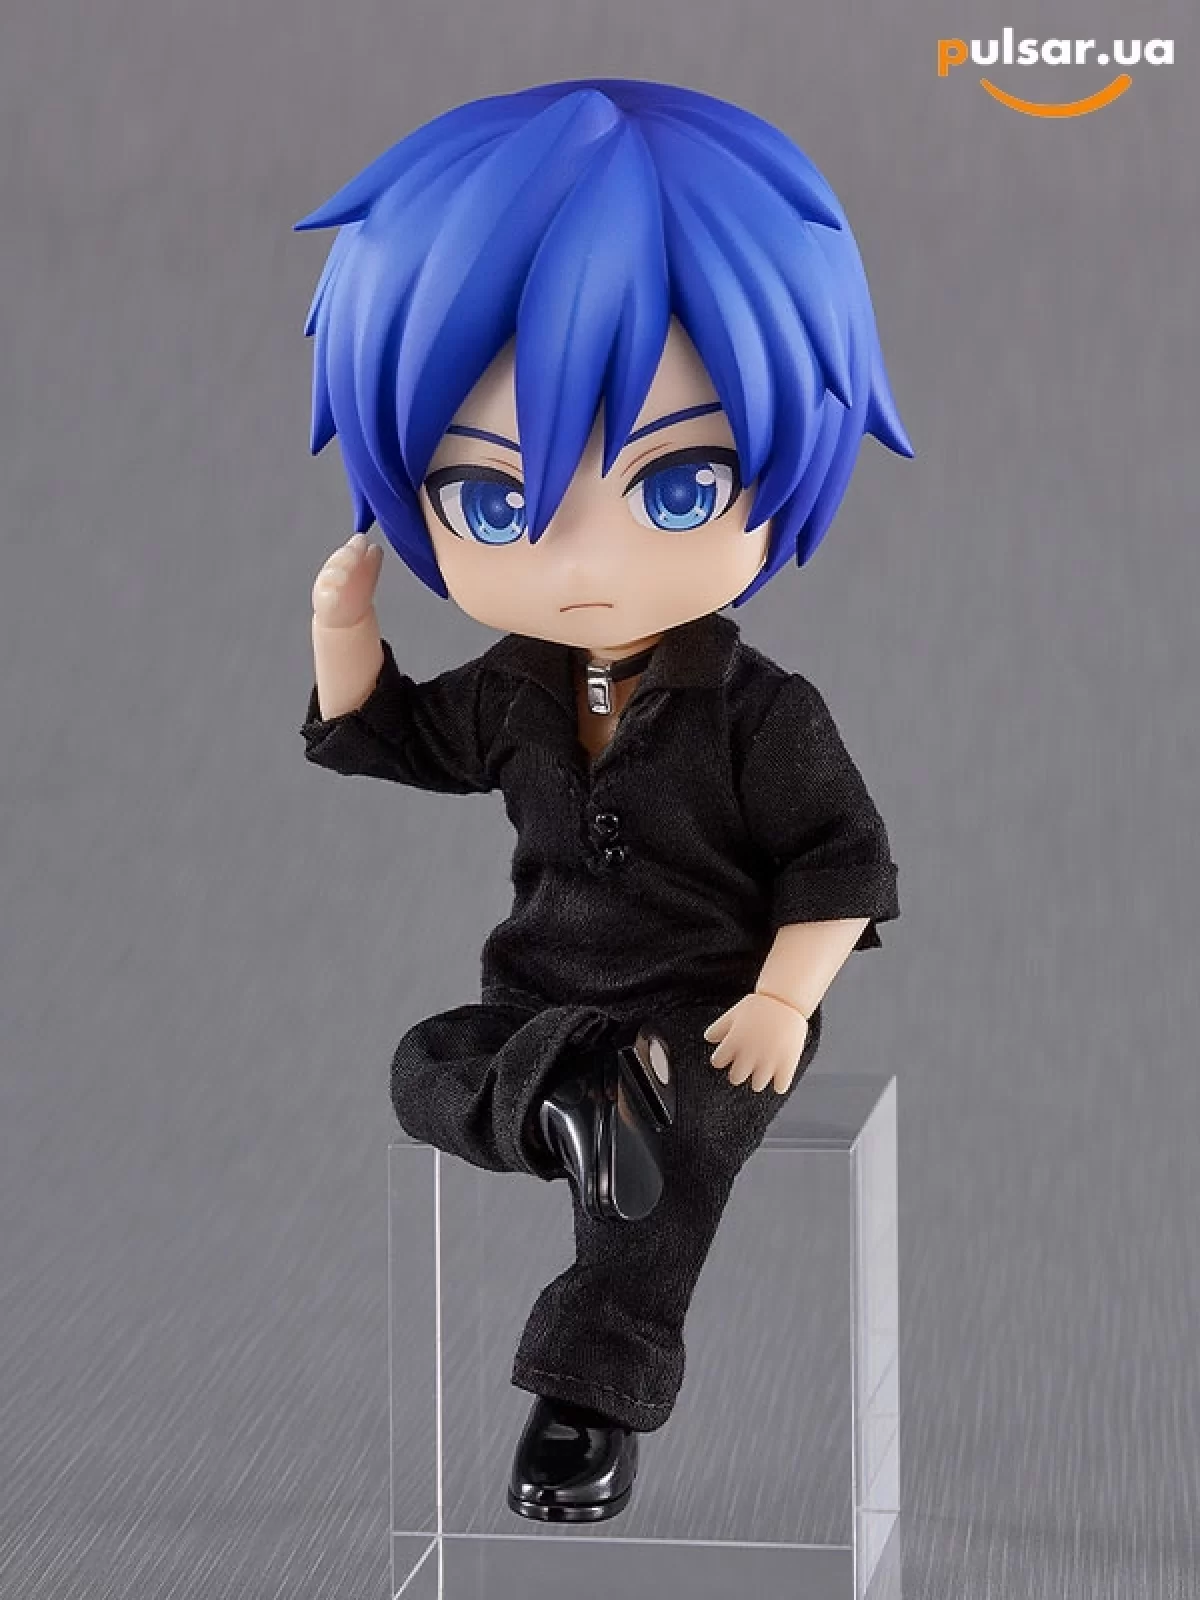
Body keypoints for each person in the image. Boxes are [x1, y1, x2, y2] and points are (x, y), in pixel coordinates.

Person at [296, 78, 910, 1524]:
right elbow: (406, 738)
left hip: (707, 1009)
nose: (584, 562)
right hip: (542, 1004)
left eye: (679, 486)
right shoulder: (515, 685)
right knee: (422, 1065)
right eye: (498, 503)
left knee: (665, 1173)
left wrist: (783, 1000)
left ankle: (585, 1406)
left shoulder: (760, 710)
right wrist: (343, 635)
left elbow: (842, 855)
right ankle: (566, 1098)